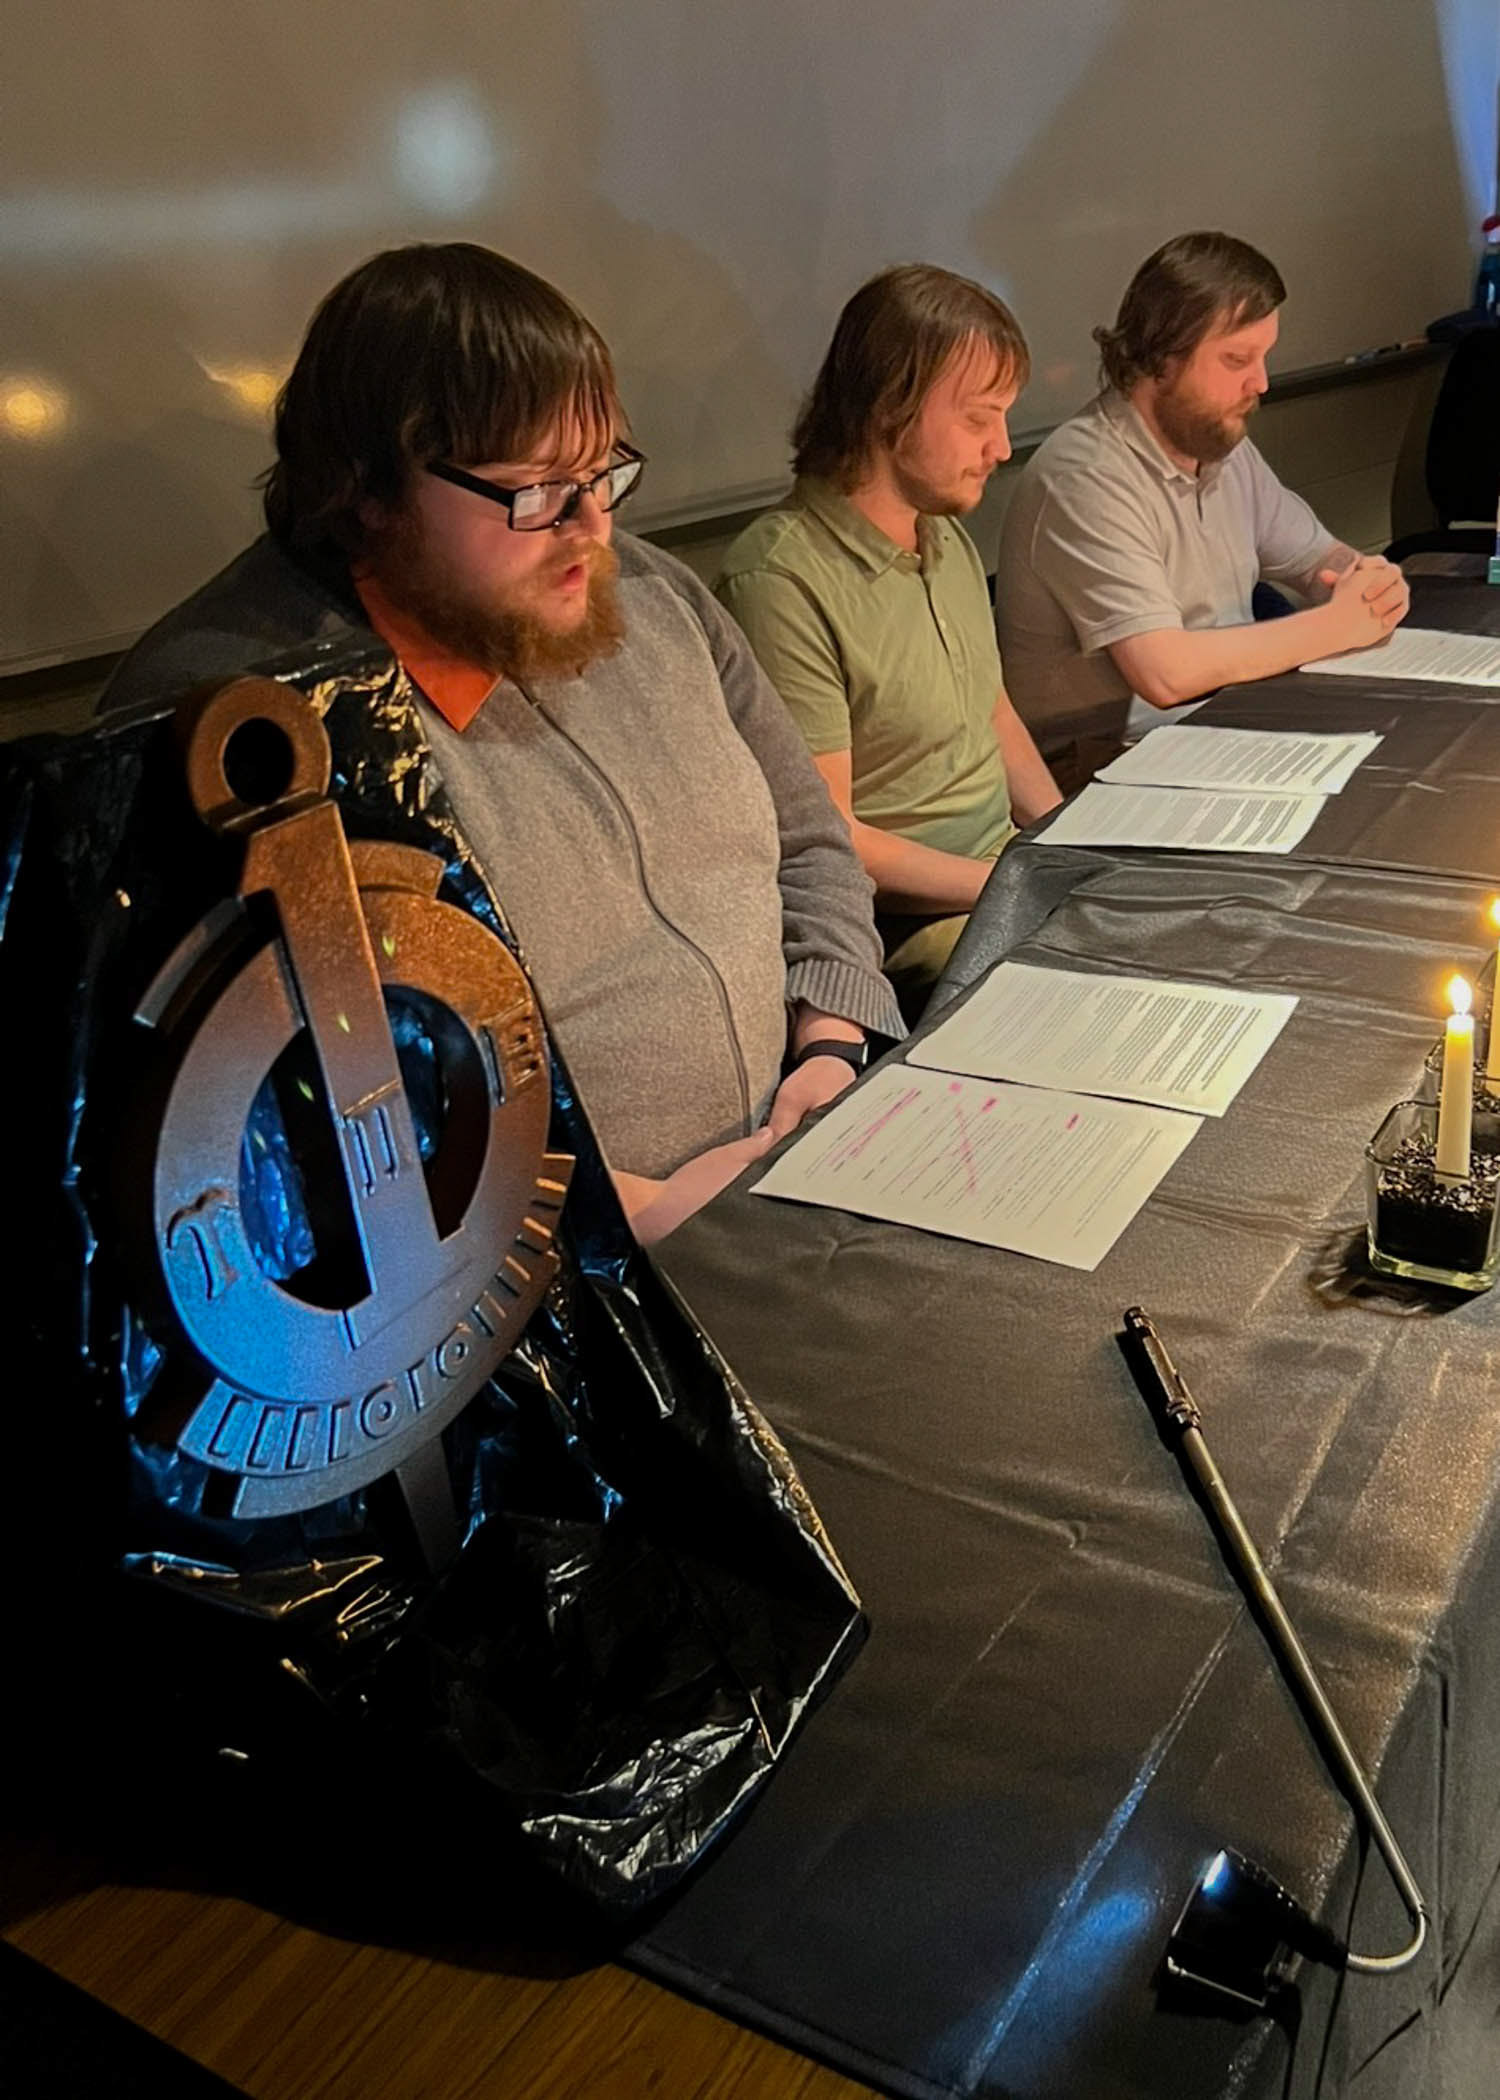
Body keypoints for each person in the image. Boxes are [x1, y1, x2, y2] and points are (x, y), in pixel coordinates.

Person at [99, 243, 903, 1244]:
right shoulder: (253, 725)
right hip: (559, 1275)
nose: (592, 529)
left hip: (796, 1161)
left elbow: (810, 842)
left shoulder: (656, 595)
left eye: (603, 473)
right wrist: (627, 1215)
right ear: (370, 491)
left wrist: (831, 1044)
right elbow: (290, 1117)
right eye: (537, 491)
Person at [716, 265, 1061, 1020]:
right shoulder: (780, 579)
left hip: (999, 875)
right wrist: (1014, 881)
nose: (1002, 447)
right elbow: (830, 836)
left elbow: (992, 714)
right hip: (911, 926)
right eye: (979, 418)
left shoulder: (945, 537)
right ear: (890, 407)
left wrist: (1068, 842)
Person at [994, 231, 1411, 761]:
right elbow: (1166, 674)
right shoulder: (1083, 476)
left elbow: (1316, 561)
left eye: (1264, 358)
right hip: (1099, 762)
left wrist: (1366, 582)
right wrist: (1336, 624)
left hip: (1214, 727)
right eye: (1237, 360)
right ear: (1162, 358)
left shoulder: (1217, 444)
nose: (1260, 383)